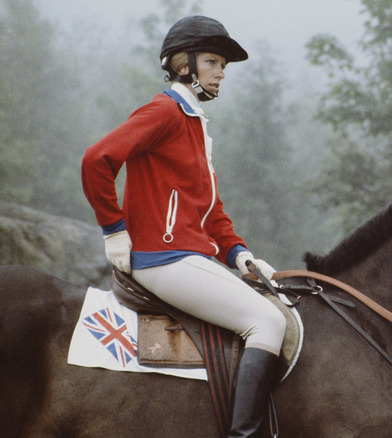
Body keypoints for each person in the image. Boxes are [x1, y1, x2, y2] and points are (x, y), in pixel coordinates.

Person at [81, 15, 285, 437]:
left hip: (189, 256)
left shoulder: (194, 123)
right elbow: (96, 161)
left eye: (223, 65)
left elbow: (209, 211)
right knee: (268, 323)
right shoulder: (164, 111)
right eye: (212, 62)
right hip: (162, 258)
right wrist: (114, 229)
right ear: (183, 65)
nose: (221, 73)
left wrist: (240, 254)